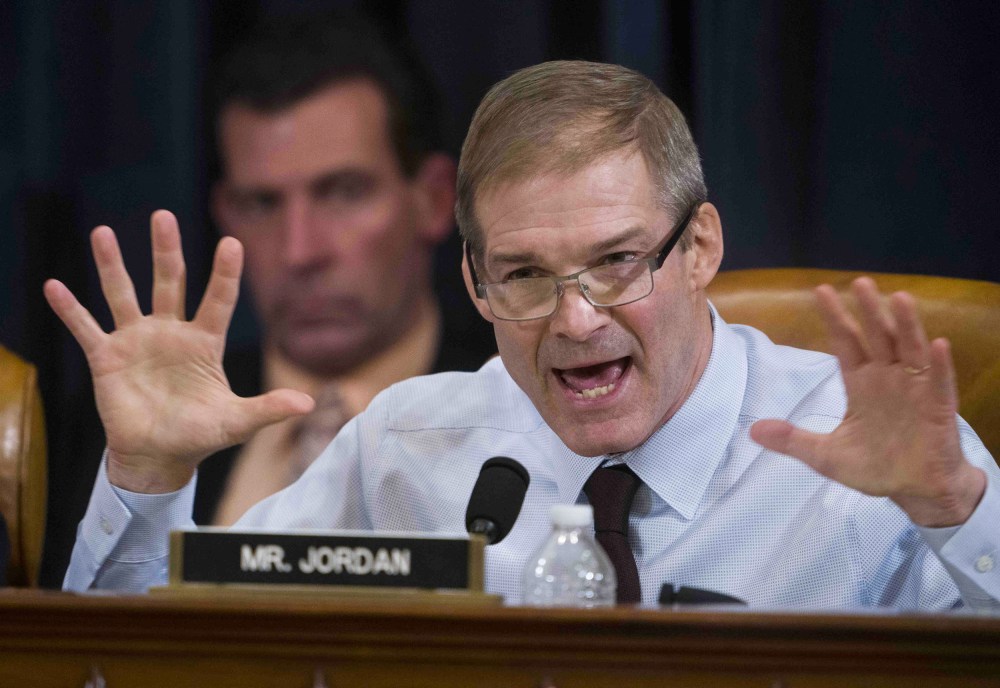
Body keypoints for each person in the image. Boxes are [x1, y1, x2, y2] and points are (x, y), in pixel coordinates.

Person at [50, 61, 998, 608]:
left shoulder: (870, 451)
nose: (576, 322)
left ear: (699, 245)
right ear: (473, 280)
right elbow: (156, 653)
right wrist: (147, 478)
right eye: (526, 277)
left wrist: (957, 508)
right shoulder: (407, 447)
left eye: (618, 262)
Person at [197, 12, 494, 524]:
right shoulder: (146, 434)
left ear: (434, 199)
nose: (300, 252)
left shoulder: (531, 413)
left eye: (343, 193)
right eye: (262, 204)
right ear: (225, 217)